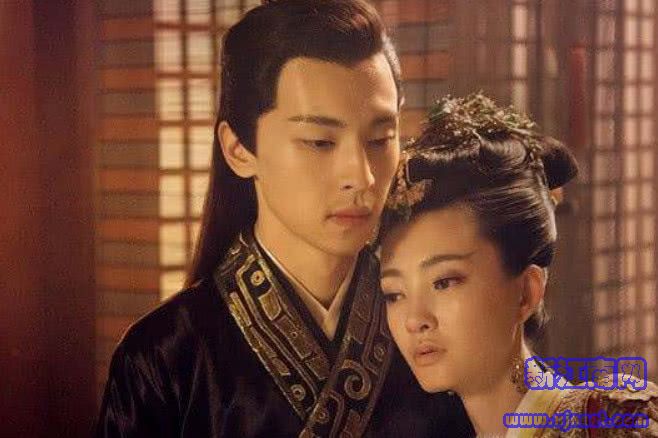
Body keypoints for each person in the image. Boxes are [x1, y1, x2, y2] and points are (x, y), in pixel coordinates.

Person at [95, 1, 473, 436]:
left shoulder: (430, 329)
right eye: (319, 142)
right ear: (239, 150)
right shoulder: (164, 358)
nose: (362, 176)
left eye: (380, 139)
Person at [378, 92, 658, 437]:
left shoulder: (608, 423)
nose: (414, 320)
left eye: (444, 282)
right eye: (394, 294)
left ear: (526, 292)